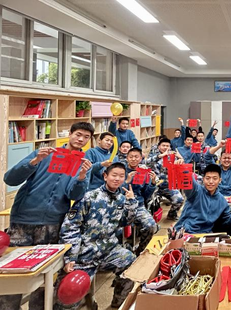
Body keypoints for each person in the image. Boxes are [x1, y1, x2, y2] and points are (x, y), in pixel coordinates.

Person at [0, 122, 94, 310]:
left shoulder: (83, 163)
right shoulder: (45, 154)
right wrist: (34, 161)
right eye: (78, 134)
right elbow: (10, 179)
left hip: (53, 223)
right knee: (12, 272)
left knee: (45, 276)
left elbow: (74, 195)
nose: (81, 139)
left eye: (86, 137)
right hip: (23, 221)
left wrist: (82, 176)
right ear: (70, 133)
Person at [57, 163, 138, 309]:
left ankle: (119, 303)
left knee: (132, 263)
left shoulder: (121, 199)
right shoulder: (89, 197)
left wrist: (131, 202)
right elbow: (70, 227)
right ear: (105, 176)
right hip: (84, 255)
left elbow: (126, 222)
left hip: (109, 251)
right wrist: (71, 257)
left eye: (121, 176)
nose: (117, 179)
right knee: (68, 296)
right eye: (114, 175)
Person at [174, 164, 231, 233]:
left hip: (206, 234)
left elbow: (228, 222)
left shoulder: (222, 201)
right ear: (203, 179)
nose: (211, 182)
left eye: (215, 178)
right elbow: (189, 183)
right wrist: (183, 169)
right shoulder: (196, 191)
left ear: (220, 180)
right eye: (208, 178)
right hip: (185, 232)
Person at [123, 148, 159, 253]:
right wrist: (126, 181)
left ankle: (140, 250)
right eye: (131, 157)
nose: (133, 159)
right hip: (121, 205)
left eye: (136, 157)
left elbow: (146, 195)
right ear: (127, 158)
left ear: (140, 159)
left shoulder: (143, 172)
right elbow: (114, 190)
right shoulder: (121, 171)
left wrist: (153, 183)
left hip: (138, 206)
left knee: (151, 226)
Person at [146, 140, 185, 220]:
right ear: (159, 146)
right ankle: (151, 219)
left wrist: (181, 158)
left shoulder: (172, 157)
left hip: (167, 186)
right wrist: (161, 156)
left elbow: (181, 169)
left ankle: (171, 215)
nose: (165, 147)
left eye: (167, 146)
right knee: (147, 203)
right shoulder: (154, 155)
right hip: (154, 187)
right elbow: (146, 162)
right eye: (163, 145)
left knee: (179, 200)